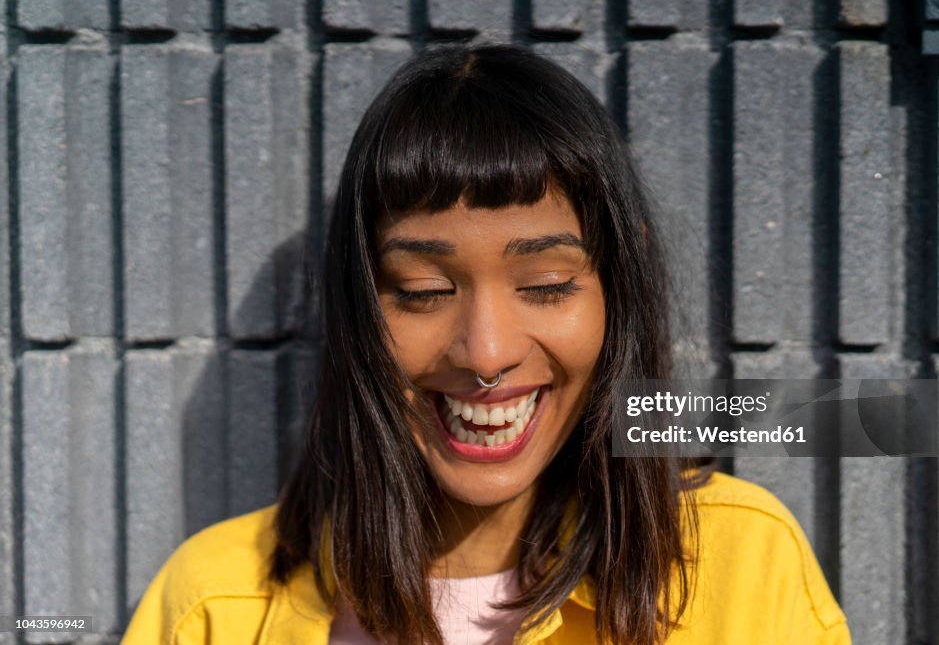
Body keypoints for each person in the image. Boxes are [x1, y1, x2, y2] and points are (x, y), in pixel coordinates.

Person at [122, 43, 850, 644]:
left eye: (546, 284)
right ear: (355, 306)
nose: (486, 352)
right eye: (422, 292)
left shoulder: (741, 562)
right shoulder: (213, 605)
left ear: (618, 287)